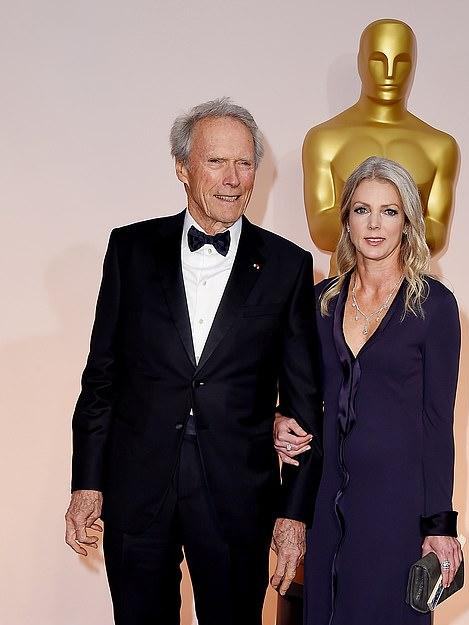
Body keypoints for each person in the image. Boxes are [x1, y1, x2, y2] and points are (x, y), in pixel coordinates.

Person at [64, 98, 323, 625]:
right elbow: (102, 377)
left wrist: (293, 514)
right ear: (182, 168)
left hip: (237, 497)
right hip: (138, 488)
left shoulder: (287, 266)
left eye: (245, 163)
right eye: (216, 162)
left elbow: (304, 405)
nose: (233, 179)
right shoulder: (130, 249)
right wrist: (86, 481)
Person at [275, 156, 462, 625]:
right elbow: (298, 396)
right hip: (326, 501)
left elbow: (438, 423)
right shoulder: (320, 303)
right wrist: (277, 420)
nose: (374, 224)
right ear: (346, 221)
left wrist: (439, 524)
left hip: (397, 506)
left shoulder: (435, 307)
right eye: (362, 210)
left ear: (408, 222)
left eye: (389, 211)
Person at [303, 19, 460, 276]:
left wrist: (364, 222)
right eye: (378, 60)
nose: (389, 73)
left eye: (401, 62)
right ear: (361, 62)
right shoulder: (324, 139)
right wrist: (396, 224)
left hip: (411, 287)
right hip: (343, 286)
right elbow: (321, 229)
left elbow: (438, 233)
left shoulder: (440, 146)